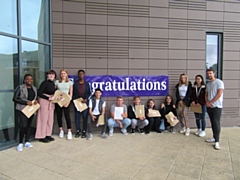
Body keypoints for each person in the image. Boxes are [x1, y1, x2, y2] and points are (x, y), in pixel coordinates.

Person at [13, 74, 38, 151]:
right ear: (24, 80)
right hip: (22, 109)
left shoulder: (34, 88)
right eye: (27, 79)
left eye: (30, 79)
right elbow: (15, 99)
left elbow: (35, 97)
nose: (29, 80)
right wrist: (25, 103)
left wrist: (35, 101)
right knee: (23, 125)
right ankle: (20, 142)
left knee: (29, 125)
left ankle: (27, 141)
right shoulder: (20, 87)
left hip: (31, 110)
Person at [35, 70, 57, 143]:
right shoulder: (44, 83)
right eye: (49, 74)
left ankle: (48, 134)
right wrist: (48, 98)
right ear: (47, 75)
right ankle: (41, 136)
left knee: (50, 119)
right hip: (44, 101)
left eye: (52, 74)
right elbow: (39, 93)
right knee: (43, 119)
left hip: (51, 102)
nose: (51, 76)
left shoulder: (53, 84)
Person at [205, 69, 224, 150]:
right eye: (208, 74)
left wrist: (211, 102)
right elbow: (206, 94)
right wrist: (207, 102)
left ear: (214, 73)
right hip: (209, 107)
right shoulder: (208, 84)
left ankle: (217, 142)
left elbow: (219, 94)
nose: (209, 75)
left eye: (210, 73)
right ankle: (214, 137)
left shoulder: (219, 82)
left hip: (217, 107)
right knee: (212, 122)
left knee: (216, 123)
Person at [73, 70, 91, 138]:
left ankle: (84, 131)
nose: (81, 75)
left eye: (82, 74)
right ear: (78, 75)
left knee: (84, 117)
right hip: (77, 103)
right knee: (77, 117)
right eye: (79, 74)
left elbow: (89, 93)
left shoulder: (87, 84)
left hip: (84, 103)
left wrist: (86, 99)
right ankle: (78, 131)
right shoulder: (75, 84)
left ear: (84, 75)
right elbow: (73, 94)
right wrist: (75, 101)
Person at [55, 69, 73, 140]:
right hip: (59, 101)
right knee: (59, 116)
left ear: (66, 74)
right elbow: (55, 92)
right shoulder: (57, 82)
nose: (63, 75)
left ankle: (69, 132)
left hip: (66, 101)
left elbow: (71, 93)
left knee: (67, 116)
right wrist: (57, 97)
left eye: (64, 73)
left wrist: (68, 101)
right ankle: (61, 130)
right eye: (62, 73)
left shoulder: (70, 82)